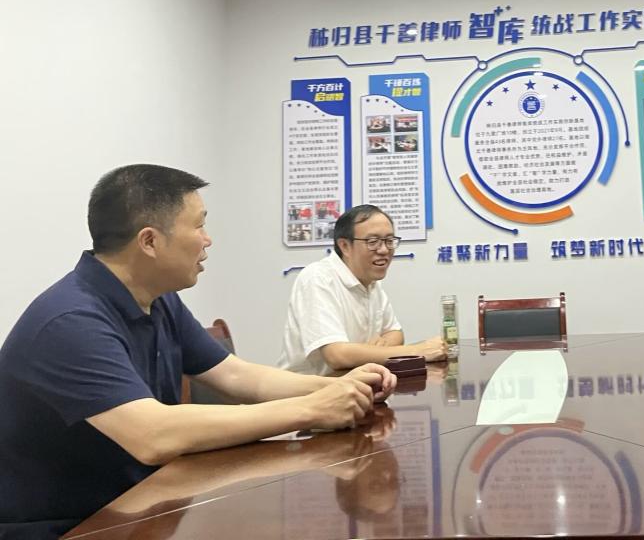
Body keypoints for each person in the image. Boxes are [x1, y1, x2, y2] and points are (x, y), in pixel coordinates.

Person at [0, 165, 396, 537]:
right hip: (73, 526)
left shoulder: (159, 300)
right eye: (199, 225)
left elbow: (237, 376)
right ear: (149, 241)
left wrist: (343, 387)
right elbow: (153, 435)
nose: (208, 240)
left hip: (144, 505)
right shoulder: (70, 320)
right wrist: (312, 409)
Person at [278, 204, 446, 375]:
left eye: (389, 241)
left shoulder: (370, 282)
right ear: (344, 246)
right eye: (372, 242)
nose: (384, 250)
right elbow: (337, 355)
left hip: (355, 384)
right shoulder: (318, 278)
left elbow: (395, 333)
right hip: (311, 389)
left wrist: (371, 351)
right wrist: (416, 351)